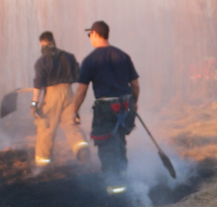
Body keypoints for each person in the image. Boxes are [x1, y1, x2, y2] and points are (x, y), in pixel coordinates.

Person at [71, 21, 138, 194]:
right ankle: (125, 179)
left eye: (89, 35)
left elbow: (81, 90)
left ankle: (116, 191)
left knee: (107, 146)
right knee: (120, 141)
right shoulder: (123, 56)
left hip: (106, 108)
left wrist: (74, 111)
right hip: (125, 105)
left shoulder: (91, 60)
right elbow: (135, 85)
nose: (89, 39)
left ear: (94, 34)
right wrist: (134, 103)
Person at [30, 31, 86, 168]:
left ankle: (41, 165)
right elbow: (79, 76)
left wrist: (34, 103)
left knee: (46, 127)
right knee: (71, 124)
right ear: (53, 41)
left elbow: (38, 84)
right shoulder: (69, 57)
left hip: (52, 95)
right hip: (69, 93)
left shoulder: (42, 61)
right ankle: (82, 150)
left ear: (42, 43)